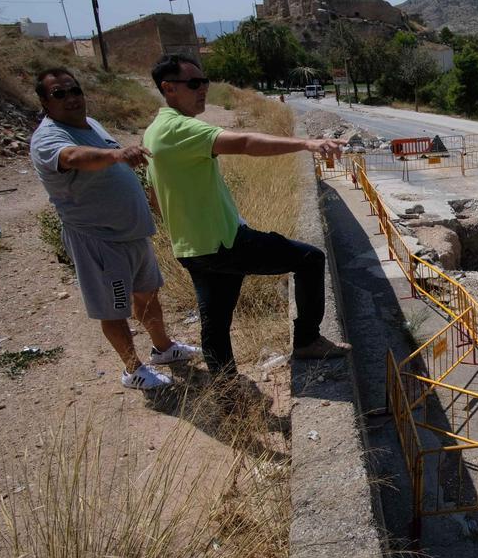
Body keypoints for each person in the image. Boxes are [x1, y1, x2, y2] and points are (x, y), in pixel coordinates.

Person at [143, 54, 350, 377]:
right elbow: (245, 142)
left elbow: (155, 196)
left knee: (215, 322)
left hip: (191, 245)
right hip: (224, 241)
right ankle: (307, 340)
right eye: (194, 84)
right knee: (309, 259)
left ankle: (226, 392)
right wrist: (307, 143)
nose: (203, 90)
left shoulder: (154, 130)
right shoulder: (180, 128)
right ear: (169, 88)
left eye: (205, 82)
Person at [29, 67, 200, 390]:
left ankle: (164, 349)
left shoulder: (90, 124)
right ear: (44, 101)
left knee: (148, 295)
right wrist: (117, 154)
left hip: (132, 233)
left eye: (74, 90)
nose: (71, 98)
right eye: (59, 94)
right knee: (113, 307)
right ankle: (133, 369)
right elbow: (74, 157)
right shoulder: (49, 137)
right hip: (100, 239)